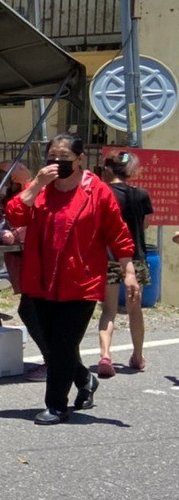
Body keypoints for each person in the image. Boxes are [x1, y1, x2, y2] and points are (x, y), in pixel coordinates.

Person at [5, 135, 138, 425]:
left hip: (80, 282)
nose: (57, 163)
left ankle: (56, 405)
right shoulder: (39, 189)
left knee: (64, 345)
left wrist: (129, 272)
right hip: (39, 280)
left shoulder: (98, 192)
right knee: (50, 341)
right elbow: (15, 215)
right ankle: (84, 379)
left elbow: (118, 234)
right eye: (52, 157)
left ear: (80, 160)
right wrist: (38, 183)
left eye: (64, 158)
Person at [96, 152, 154, 377]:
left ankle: (105, 355)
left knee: (108, 310)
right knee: (135, 310)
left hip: (108, 257)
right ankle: (137, 356)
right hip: (135, 258)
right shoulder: (141, 195)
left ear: (107, 169)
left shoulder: (102, 193)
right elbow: (146, 224)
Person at [0, 161, 48, 380]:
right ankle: (58, 362)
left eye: (2, 179)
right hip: (24, 263)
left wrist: (12, 235)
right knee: (30, 310)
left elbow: (27, 227)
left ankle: (54, 361)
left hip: (35, 263)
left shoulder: (31, 195)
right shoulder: (8, 198)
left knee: (33, 311)